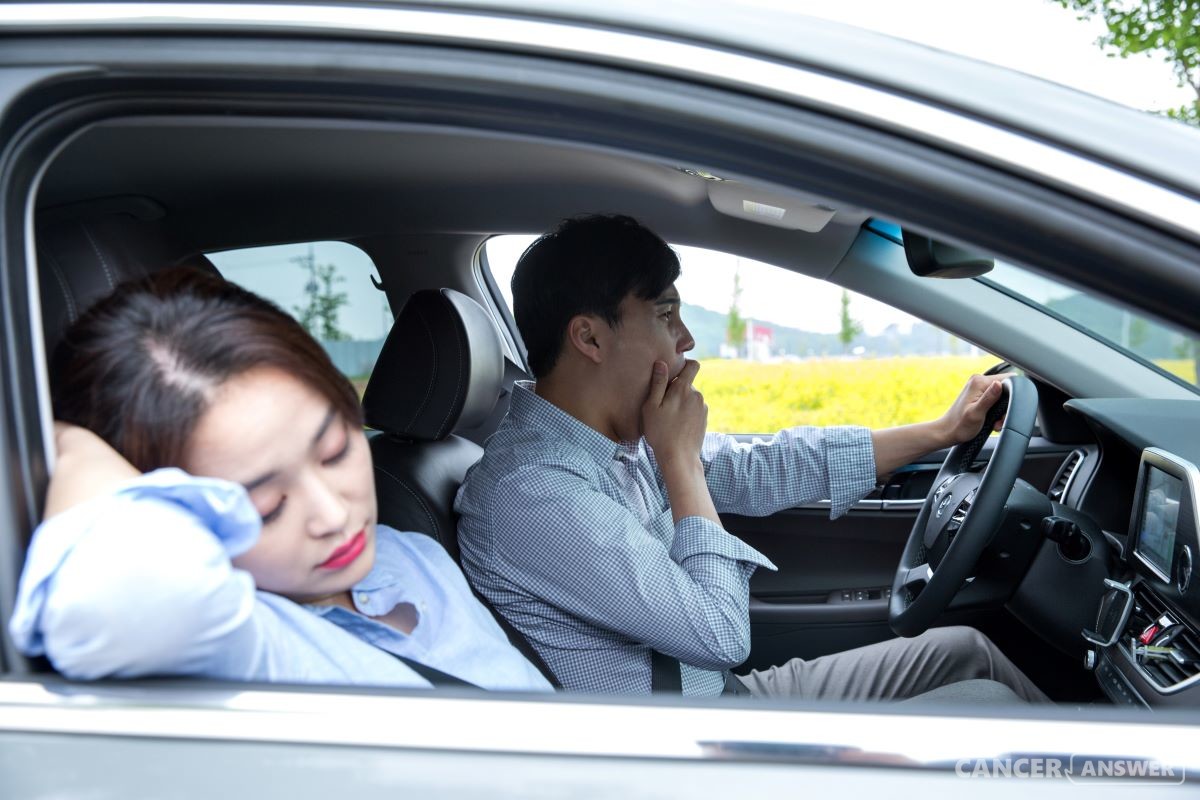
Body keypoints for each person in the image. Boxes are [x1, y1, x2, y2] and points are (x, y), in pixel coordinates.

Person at [455, 214, 1048, 701]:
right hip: (690, 750)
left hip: (724, 696)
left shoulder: (614, 446)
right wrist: (681, 463)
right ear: (589, 338)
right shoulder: (532, 492)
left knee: (967, 653)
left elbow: (768, 465)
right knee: (989, 712)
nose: (686, 339)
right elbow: (719, 634)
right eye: (666, 315)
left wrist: (941, 431)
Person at [8, 267, 552, 692]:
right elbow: (123, 597)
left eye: (337, 451)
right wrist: (62, 441)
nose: (335, 515)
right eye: (265, 505)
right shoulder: (237, 641)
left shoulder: (411, 556)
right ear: (172, 506)